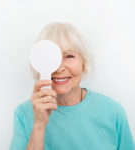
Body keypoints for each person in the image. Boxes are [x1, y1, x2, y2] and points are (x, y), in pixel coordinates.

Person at [10, 22, 135, 150]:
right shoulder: (23, 114)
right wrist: (39, 124)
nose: (59, 68)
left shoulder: (113, 112)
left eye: (69, 56)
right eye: (52, 57)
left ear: (83, 63)